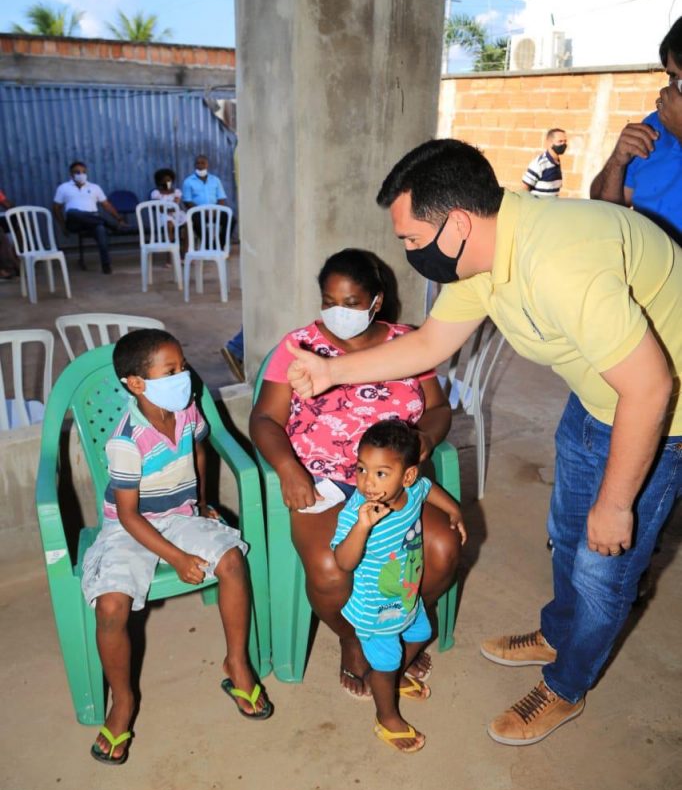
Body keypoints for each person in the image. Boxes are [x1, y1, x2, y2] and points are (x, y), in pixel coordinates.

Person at [287, 139, 682, 746]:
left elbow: (652, 389)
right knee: (567, 535)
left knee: (604, 564)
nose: (411, 254)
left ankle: (566, 685)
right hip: (595, 397)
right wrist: (332, 371)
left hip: (659, 416)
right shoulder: (488, 253)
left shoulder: (559, 261)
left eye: (413, 240)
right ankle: (559, 631)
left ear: (459, 223)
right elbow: (428, 346)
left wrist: (617, 501)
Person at [249, 247, 463, 698]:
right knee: (330, 570)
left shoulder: (409, 342)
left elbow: (439, 408)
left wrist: (425, 438)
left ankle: (400, 624)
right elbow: (265, 420)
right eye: (329, 301)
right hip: (324, 483)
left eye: (350, 303)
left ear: (376, 301)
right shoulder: (299, 347)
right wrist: (288, 468)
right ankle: (352, 637)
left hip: (395, 482)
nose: (337, 313)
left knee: (443, 547)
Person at [81, 328, 273, 765]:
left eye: (182, 366)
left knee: (231, 560)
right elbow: (129, 515)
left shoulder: (185, 411)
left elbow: (199, 453)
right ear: (136, 383)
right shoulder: (127, 440)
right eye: (171, 370)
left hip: (180, 515)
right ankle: (124, 701)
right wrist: (177, 557)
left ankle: (236, 664)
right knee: (110, 606)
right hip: (129, 527)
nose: (183, 376)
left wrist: (201, 504)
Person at [332, 420, 466, 753]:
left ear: (406, 476)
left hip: (406, 597)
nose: (366, 482)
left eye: (381, 473)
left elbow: (428, 488)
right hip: (374, 613)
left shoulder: (413, 490)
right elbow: (343, 562)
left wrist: (453, 510)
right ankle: (386, 716)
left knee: (421, 634)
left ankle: (389, 678)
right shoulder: (356, 514)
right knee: (385, 661)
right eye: (362, 469)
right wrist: (362, 527)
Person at [590, 18, 682, 245]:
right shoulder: (655, 125)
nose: (672, 88)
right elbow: (605, 207)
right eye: (672, 76)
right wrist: (617, 161)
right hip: (646, 269)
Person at [53, 161, 128, 274]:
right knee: (73, 212)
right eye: (77, 172)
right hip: (74, 221)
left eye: (83, 172)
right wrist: (63, 226)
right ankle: (108, 224)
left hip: (93, 221)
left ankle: (106, 264)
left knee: (100, 229)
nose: (80, 174)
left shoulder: (94, 187)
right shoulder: (63, 188)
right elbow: (56, 208)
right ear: (71, 174)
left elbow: (106, 205)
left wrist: (119, 218)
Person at [521, 128, 567, 197]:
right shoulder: (540, 164)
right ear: (550, 143)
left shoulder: (557, 162)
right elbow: (525, 189)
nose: (563, 144)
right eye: (560, 141)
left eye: (565, 141)